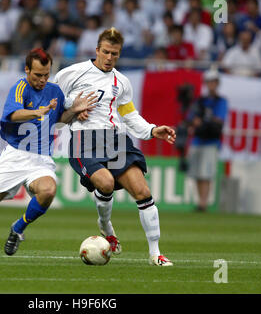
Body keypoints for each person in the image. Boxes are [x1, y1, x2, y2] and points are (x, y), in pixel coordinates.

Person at [0, 48, 98, 259]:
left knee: (48, 191)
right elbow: (13, 115)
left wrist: (75, 110)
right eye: (37, 75)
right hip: (15, 156)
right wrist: (36, 111)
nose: (42, 79)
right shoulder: (20, 87)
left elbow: (58, 121)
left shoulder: (55, 91)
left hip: (41, 158)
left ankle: (18, 228)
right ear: (27, 70)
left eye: (46, 75)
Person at [54, 27, 177, 266]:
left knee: (143, 192)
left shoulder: (122, 82)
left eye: (115, 54)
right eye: (107, 52)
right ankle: (106, 226)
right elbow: (51, 103)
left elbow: (129, 115)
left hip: (116, 139)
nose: (110, 58)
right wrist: (72, 109)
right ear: (97, 50)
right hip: (84, 141)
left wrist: (152, 130)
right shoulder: (72, 73)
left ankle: (155, 254)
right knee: (106, 182)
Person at [186, 70, 228, 212]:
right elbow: (190, 118)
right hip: (198, 140)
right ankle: (200, 202)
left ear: (217, 84)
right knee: (197, 173)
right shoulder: (200, 100)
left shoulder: (221, 101)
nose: (211, 85)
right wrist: (196, 121)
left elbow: (219, 121)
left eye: (214, 82)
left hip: (211, 141)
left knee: (206, 173)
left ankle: (203, 203)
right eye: (209, 82)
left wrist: (202, 120)